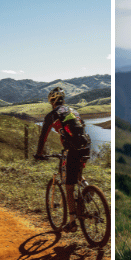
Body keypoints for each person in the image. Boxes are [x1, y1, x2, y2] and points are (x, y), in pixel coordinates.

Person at [34, 87, 91, 233]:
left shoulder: (52, 115)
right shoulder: (73, 111)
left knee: (69, 187)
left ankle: (72, 223)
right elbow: (82, 128)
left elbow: (43, 137)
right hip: (85, 147)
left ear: (51, 102)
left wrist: (39, 153)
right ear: (63, 100)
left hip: (71, 150)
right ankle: (88, 189)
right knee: (77, 174)